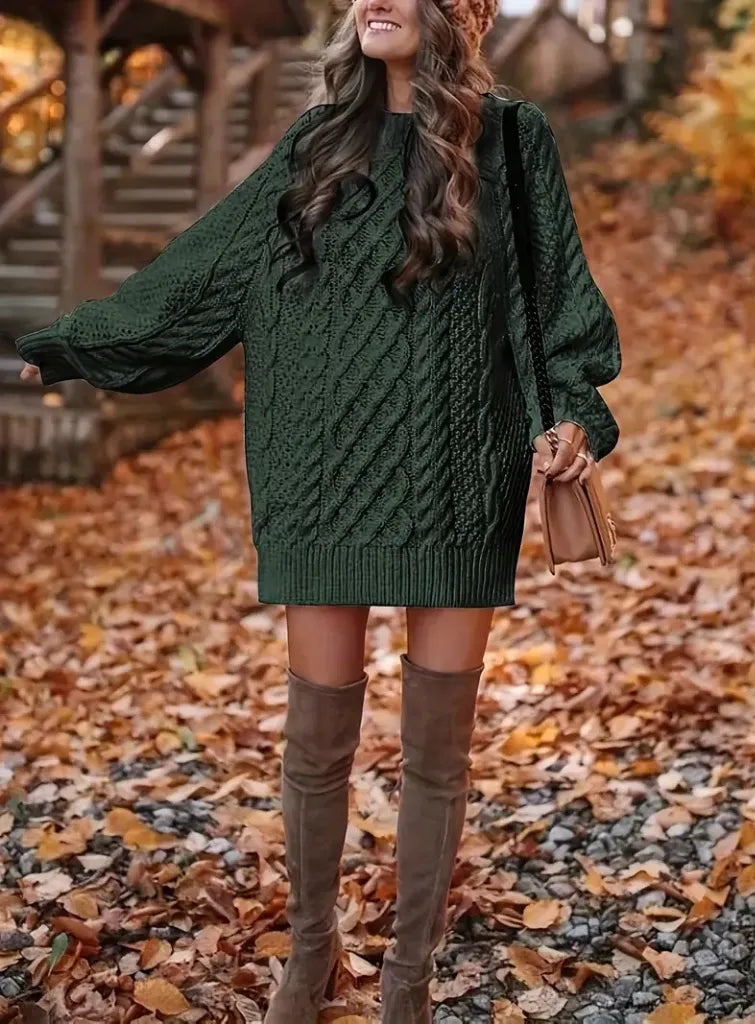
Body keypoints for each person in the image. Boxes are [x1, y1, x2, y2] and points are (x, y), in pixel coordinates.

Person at [17, 0, 622, 1019]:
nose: (369, 1)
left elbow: (554, 290)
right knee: (317, 742)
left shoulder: (512, 138)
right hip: (322, 466)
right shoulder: (316, 141)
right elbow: (203, 272)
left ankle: (410, 977)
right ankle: (312, 955)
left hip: (460, 464)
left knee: (437, 747)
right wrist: (70, 344)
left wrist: (571, 409)